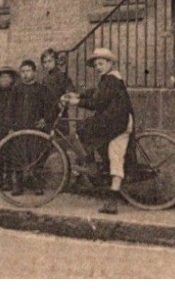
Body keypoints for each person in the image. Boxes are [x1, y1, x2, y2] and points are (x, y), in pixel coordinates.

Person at [61, 48, 133, 215]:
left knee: (116, 157)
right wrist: (76, 94)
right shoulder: (106, 79)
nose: (98, 67)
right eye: (96, 64)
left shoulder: (112, 80)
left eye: (101, 63)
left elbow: (97, 102)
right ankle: (93, 166)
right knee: (83, 129)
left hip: (118, 124)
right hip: (110, 121)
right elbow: (94, 93)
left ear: (110, 63)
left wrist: (76, 102)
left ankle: (112, 201)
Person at [38, 48, 73, 123]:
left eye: (50, 61)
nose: (47, 64)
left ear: (56, 61)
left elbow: (70, 91)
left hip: (59, 112)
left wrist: (63, 101)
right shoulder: (45, 79)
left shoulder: (62, 76)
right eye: (45, 62)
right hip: (48, 112)